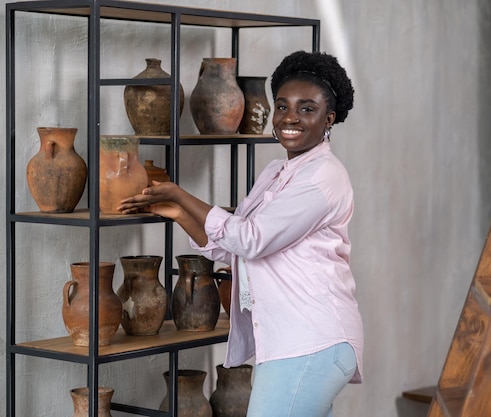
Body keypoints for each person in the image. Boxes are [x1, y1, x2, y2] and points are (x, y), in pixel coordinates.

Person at [119, 50, 364, 417]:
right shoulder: (276, 173)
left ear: (329, 118)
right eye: (282, 106)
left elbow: (251, 238)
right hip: (289, 344)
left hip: (311, 342)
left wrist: (179, 192)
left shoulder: (322, 178)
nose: (290, 117)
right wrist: (178, 213)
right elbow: (236, 246)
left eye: (307, 108)